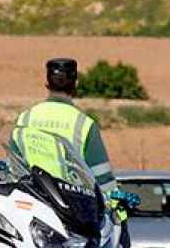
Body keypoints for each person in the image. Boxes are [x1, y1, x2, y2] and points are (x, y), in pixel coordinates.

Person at [13, 58, 118, 200]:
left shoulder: (25, 118)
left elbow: (12, 166)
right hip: (71, 208)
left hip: (29, 203)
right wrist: (116, 205)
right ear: (75, 83)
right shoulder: (84, 124)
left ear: (47, 82)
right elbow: (102, 177)